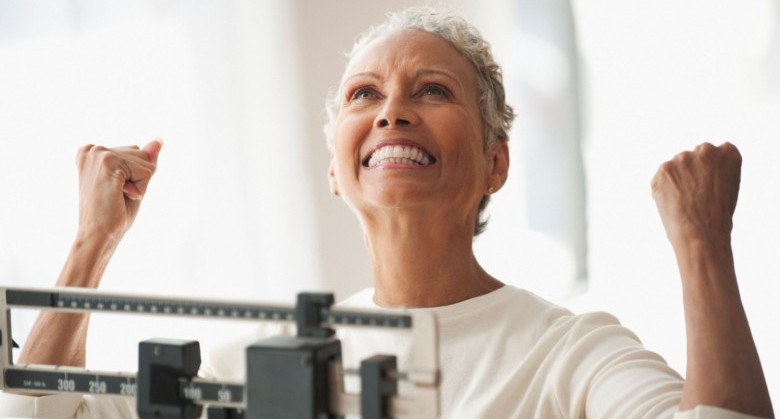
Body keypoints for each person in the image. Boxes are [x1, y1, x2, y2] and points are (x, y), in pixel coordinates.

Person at [0, 6, 773, 419]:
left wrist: (703, 244)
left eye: (431, 91)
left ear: (496, 164)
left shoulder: (569, 352)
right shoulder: (261, 362)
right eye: (364, 95)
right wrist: (90, 244)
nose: (392, 112)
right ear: (337, 170)